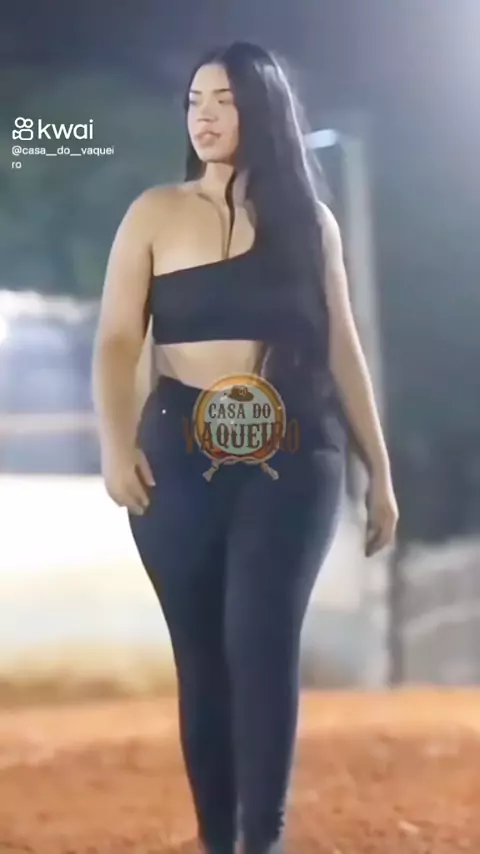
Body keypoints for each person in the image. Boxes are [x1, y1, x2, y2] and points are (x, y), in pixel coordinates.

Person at [92, 41, 398, 854]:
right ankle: (217, 840)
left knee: (259, 643)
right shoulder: (154, 213)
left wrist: (379, 470)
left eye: (223, 100)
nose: (204, 116)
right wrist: (115, 445)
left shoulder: (311, 223)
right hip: (178, 455)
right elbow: (117, 340)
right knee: (202, 658)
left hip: (292, 453)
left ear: (261, 109)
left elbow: (343, 350)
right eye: (195, 100)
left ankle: (261, 841)